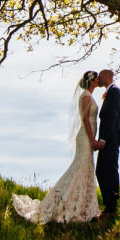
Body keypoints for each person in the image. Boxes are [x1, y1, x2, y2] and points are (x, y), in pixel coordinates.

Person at [11, 70, 106, 224]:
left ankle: (83, 206)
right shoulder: (85, 97)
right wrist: (92, 140)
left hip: (88, 137)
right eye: (97, 78)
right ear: (92, 81)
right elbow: (85, 120)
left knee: (85, 169)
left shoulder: (90, 96)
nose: (99, 80)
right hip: (85, 137)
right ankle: (63, 205)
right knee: (79, 168)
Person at [95, 68, 120, 218]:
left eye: (100, 76)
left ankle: (112, 206)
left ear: (106, 76)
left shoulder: (114, 91)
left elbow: (111, 117)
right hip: (108, 139)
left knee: (110, 169)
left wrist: (103, 140)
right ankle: (108, 203)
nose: (98, 79)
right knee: (101, 170)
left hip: (111, 139)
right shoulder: (110, 91)